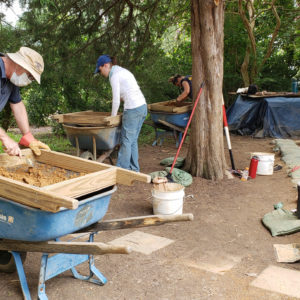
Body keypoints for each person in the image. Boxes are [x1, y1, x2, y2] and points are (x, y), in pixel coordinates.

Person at [94, 54, 147, 172]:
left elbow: (116, 100)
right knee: (132, 140)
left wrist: (112, 117)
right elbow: (127, 92)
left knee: (126, 141)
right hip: (142, 106)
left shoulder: (114, 76)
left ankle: (121, 171)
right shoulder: (122, 71)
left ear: (106, 65)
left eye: (100, 70)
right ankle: (134, 170)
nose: (101, 73)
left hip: (133, 109)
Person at [0, 46, 50, 156]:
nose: (29, 81)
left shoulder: (11, 79)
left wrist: (28, 136)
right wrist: (5, 138)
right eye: (30, 76)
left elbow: (17, 104)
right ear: (20, 65)